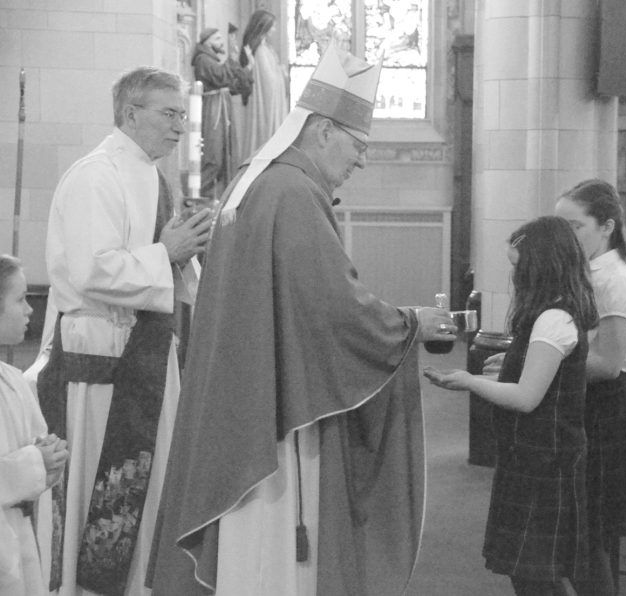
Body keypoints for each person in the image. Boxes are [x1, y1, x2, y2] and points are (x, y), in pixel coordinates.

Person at [147, 41, 455, 596]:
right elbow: (334, 310)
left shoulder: (257, 178)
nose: (361, 160)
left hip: (247, 396)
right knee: (274, 554)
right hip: (273, 413)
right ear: (322, 130)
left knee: (253, 553)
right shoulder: (290, 191)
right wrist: (411, 324)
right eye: (358, 145)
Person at [33, 66, 210, 596]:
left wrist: (194, 250)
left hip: (145, 355)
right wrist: (169, 255)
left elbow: (167, 262)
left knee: (151, 492)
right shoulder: (97, 175)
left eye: (182, 115)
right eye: (169, 114)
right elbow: (94, 268)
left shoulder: (151, 176)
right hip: (102, 365)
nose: (180, 126)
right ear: (131, 114)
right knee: (97, 493)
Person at [424, 216, 600, 596]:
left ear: (541, 264)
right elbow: (536, 382)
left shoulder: (555, 317)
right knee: (535, 573)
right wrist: (502, 372)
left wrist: (471, 382)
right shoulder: (552, 311)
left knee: (539, 576)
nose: (514, 276)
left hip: (545, 460)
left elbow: (526, 397)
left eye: (518, 265)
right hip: (533, 457)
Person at [555, 180, 626, 595]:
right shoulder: (589, 271)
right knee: (575, 541)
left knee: (588, 543)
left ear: (606, 226)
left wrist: (537, 371)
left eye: (574, 226)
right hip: (583, 408)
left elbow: (609, 364)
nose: (565, 236)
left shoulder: (614, 280)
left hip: (602, 414)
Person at [0, 256, 69, 596]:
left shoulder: (13, 380)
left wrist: (51, 460)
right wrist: (34, 463)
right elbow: (28, 463)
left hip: (17, 532)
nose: (30, 309)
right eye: (20, 298)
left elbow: (36, 451)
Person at [192, 27, 254, 199]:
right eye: (218, 38)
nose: (221, 42)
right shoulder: (202, 60)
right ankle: (200, 197)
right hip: (213, 109)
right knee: (214, 157)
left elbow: (231, 83)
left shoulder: (212, 59)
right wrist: (233, 58)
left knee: (225, 156)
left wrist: (248, 68)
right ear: (207, 41)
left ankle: (218, 197)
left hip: (221, 106)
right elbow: (220, 76)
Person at [241, 9, 289, 159]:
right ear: (264, 26)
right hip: (266, 108)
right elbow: (269, 83)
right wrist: (281, 74)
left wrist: (280, 72)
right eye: (272, 26)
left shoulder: (266, 49)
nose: (274, 30)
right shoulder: (261, 51)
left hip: (271, 104)